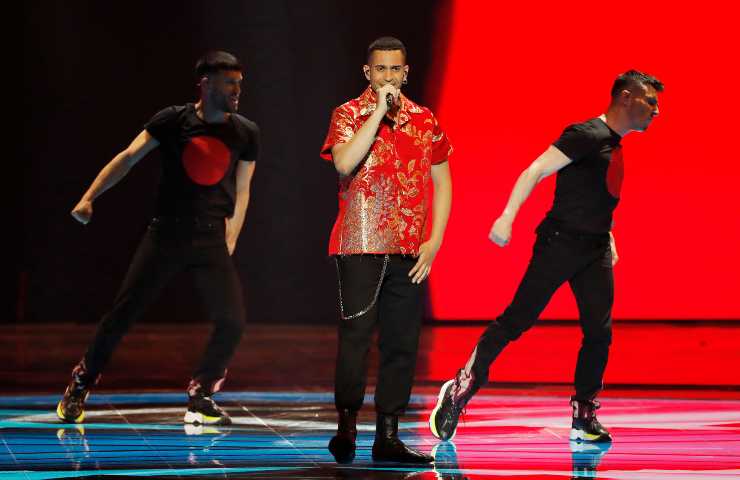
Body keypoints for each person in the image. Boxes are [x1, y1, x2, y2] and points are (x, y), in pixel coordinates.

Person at [429, 69, 663, 444]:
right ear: (625, 97)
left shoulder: (612, 144)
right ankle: (461, 386)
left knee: (599, 332)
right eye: (650, 101)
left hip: (595, 249)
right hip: (560, 244)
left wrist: (608, 234)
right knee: (517, 320)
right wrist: (507, 216)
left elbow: (595, 196)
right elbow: (535, 170)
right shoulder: (586, 134)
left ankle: (583, 414)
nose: (656, 110)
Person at [56, 50, 259, 427]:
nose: (236, 90)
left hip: (211, 236)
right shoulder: (173, 120)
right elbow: (128, 157)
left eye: (239, 83)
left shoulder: (245, 132)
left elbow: (243, 189)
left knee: (232, 320)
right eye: (229, 83)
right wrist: (89, 197)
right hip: (167, 233)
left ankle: (201, 394)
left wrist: (232, 236)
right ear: (206, 84)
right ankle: (82, 381)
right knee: (122, 314)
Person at [320, 36, 453, 463]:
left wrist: (435, 240)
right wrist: (378, 112)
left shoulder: (424, 119)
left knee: (402, 343)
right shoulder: (348, 113)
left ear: (406, 73)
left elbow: (442, 180)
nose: (389, 77)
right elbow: (344, 163)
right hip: (360, 244)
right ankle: (346, 426)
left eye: (395, 69)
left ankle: (388, 436)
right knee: (356, 339)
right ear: (368, 72)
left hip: (409, 248)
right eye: (381, 69)